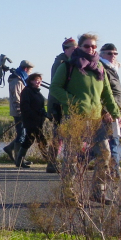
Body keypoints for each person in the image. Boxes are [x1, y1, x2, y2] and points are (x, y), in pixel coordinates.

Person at [50, 33, 121, 204]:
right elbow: (55, 88)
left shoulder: (99, 68)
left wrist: (116, 114)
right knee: (71, 158)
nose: (91, 49)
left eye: (94, 46)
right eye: (87, 46)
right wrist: (73, 102)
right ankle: (67, 195)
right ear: (79, 47)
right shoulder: (68, 66)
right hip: (75, 119)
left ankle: (98, 192)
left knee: (105, 154)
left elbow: (107, 94)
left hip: (96, 120)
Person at [44, 37, 77, 173]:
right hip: (59, 105)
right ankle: (52, 163)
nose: (76, 51)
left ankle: (54, 163)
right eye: (74, 49)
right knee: (58, 135)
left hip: (59, 103)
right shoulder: (62, 63)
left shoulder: (64, 61)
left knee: (60, 135)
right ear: (67, 49)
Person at [3, 60, 34, 164]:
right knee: (21, 135)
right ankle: (19, 159)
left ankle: (10, 149)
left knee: (22, 134)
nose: (30, 73)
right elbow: (16, 98)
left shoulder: (21, 79)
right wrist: (21, 111)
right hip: (19, 111)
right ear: (25, 69)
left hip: (22, 110)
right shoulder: (17, 80)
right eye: (30, 71)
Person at [99, 43, 121, 175]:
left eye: (115, 53)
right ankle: (115, 172)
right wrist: (105, 111)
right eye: (109, 53)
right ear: (101, 54)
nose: (113, 56)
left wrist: (119, 113)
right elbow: (101, 93)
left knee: (107, 142)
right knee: (112, 142)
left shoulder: (113, 69)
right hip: (107, 113)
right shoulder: (102, 68)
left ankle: (79, 164)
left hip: (115, 111)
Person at [17, 73, 49, 168]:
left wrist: (43, 113)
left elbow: (40, 106)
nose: (39, 82)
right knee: (41, 140)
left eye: (40, 80)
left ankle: (19, 161)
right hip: (31, 121)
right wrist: (35, 114)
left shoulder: (37, 92)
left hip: (38, 121)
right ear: (31, 81)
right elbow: (25, 107)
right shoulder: (27, 91)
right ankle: (49, 161)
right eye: (36, 80)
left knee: (29, 140)